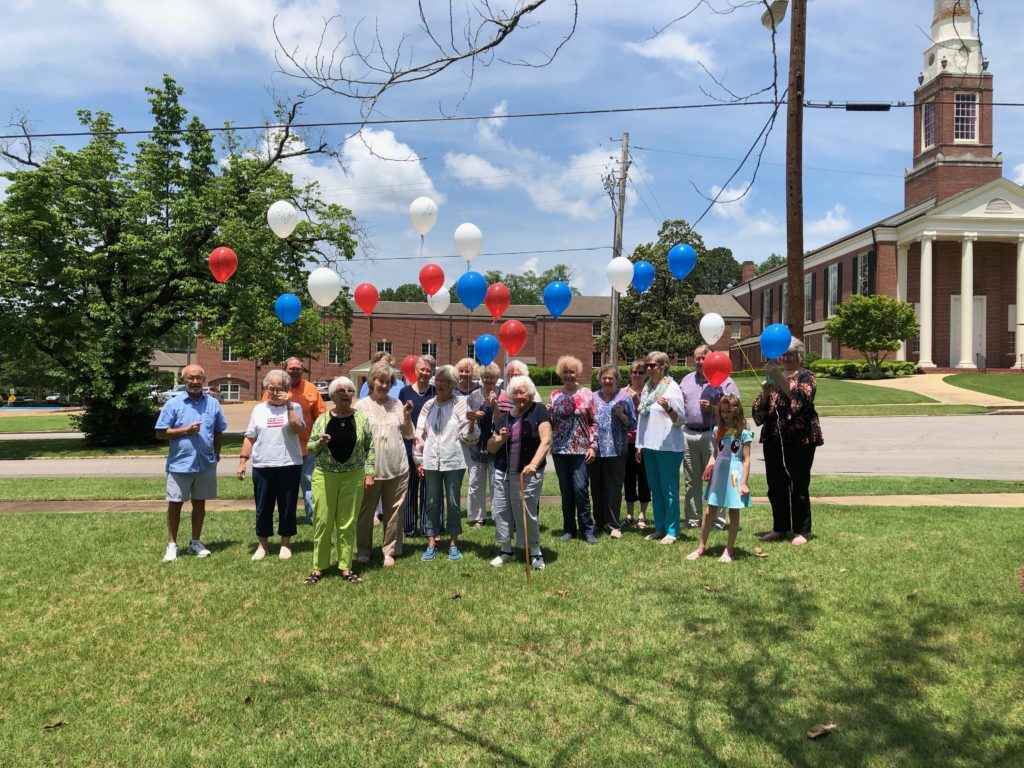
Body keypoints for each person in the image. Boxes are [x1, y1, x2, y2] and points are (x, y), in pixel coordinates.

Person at [752, 337, 824, 546]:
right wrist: (765, 392)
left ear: (799, 355)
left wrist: (778, 377)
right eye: (782, 354)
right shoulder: (774, 376)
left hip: (799, 439)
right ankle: (780, 528)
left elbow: (800, 400)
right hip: (774, 437)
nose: (785, 358)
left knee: (799, 484)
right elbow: (759, 413)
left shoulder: (806, 376)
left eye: (789, 354)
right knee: (775, 485)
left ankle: (801, 530)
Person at [304, 377, 375, 584]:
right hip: (325, 476)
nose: (346, 394)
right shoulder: (322, 420)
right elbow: (311, 449)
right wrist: (320, 442)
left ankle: (345, 566)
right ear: (333, 396)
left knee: (347, 522)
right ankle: (319, 567)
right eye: (341, 391)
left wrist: (369, 473)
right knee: (323, 522)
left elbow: (370, 447)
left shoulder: (361, 419)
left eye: (349, 391)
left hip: (353, 476)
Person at [155, 364, 227, 562]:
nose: (195, 382)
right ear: (183, 380)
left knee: (200, 504)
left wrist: (217, 454)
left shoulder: (213, 404)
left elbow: (219, 430)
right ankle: (172, 545)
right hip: (180, 463)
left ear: (204, 380)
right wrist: (185, 431)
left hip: (205, 463)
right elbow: (160, 432)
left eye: (198, 378)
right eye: (190, 378)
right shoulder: (173, 404)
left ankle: (195, 542)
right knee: (175, 504)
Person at [413, 365, 479, 561]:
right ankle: (431, 542)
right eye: (438, 380)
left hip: (454, 461)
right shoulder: (428, 405)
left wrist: (472, 423)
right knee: (431, 502)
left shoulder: (460, 404)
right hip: (430, 461)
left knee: (453, 502)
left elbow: (469, 436)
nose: (440, 384)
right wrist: (418, 460)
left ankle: (453, 543)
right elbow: (419, 433)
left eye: (445, 381)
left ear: (452, 384)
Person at [238, 369, 305, 561]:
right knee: (263, 506)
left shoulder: (295, 407)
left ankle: (285, 543)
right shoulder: (259, 409)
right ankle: (262, 545)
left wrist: (289, 405)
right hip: (263, 465)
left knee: (287, 505)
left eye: (279, 389)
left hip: (289, 464)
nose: (275, 392)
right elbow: (250, 436)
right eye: (271, 388)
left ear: (287, 389)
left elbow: (297, 428)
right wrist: (242, 461)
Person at [487, 375, 551, 570]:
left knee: (526, 512)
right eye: (515, 393)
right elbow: (490, 447)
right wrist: (501, 439)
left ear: (530, 393)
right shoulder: (506, 416)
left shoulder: (539, 410)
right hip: (502, 472)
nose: (519, 396)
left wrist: (533, 464)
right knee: (501, 510)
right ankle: (506, 550)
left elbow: (546, 440)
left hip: (526, 473)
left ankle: (534, 550)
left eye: (522, 392)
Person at [354, 361, 414, 568]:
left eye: (388, 382)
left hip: (397, 467)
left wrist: (407, 416)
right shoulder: (361, 406)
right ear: (372, 381)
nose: (385, 385)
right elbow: (356, 441)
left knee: (394, 512)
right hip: (370, 470)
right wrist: (364, 470)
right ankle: (363, 550)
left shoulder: (397, 404)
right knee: (365, 512)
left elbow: (408, 434)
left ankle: (390, 550)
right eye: (381, 381)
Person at [679, 345, 740, 531]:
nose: (700, 361)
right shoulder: (686, 380)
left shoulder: (725, 381)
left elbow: (736, 409)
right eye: (697, 358)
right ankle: (693, 519)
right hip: (689, 433)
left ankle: (717, 521)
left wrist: (714, 409)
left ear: (711, 358)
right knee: (691, 480)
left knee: (716, 478)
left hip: (714, 434)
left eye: (703, 357)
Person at [686, 394, 752, 563]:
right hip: (719, 474)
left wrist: (744, 482)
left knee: (733, 511)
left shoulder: (743, 433)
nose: (725, 415)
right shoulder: (718, 431)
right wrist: (709, 467)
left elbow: (746, 459)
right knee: (710, 511)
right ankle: (701, 547)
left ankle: (728, 550)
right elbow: (715, 454)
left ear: (736, 411)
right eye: (722, 411)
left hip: (734, 475)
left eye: (729, 411)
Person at [263, 357, 326, 525]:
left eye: (299, 369)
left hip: (306, 447)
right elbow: (264, 413)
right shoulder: (274, 389)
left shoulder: (311, 389)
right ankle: (284, 517)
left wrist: (320, 437)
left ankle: (313, 517)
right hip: (281, 448)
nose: (295, 372)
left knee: (309, 483)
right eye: (292, 369)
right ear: (284, 369)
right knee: (283, 486)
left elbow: (321, 416)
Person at [635, 351, 686, 545]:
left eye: (652, 365)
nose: (648, 369)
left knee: (669, 490)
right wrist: (639, 445)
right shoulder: (647, 388)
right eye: (647, 365)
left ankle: (672, 531)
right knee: (655, 489)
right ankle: (660, 528)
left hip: (668, 447)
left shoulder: (672, 388)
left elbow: (681, 420)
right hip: (649, 445)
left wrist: (668, 409)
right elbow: (643, 419)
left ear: (663, 367)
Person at [548, 355, 598, 544]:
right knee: (566, 491)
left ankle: (587, 529)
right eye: (565, 372)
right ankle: (569, 529)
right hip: (560, 450)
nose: (568, 375)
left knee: (580, 489)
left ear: (577, 373)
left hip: (581, 449)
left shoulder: (586, 394)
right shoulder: (555, 395)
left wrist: (593, 446)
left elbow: (594, 422)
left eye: (572, 372)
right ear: (560, 374)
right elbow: (553, 424)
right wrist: (550, 415)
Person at [591, 364, 636, 539]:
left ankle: (614, 525)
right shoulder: (593, 397)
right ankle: (599, 523)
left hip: (616, 450)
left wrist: (622, 416)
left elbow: (633, 424)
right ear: (600, 379)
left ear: (617, 379)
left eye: (611, 378)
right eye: (604, 377)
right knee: (596, 488)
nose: (607, 380)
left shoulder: (625, 397)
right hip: (595, 450)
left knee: (614, 490)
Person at [398, 355, 436, 536]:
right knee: (409, 488)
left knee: (430, 489)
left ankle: (428, 526)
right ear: (416, 370)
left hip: (430, 447)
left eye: (429, 370)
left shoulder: (435, 392)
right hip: (408, 445)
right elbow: (400, 418)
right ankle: (408, 526)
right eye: (422, 369)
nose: (425, 373)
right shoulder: (404, 392)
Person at [465, 362, 501, 527]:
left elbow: (503, 421)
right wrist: (474, 416)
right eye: (485, 377)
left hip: (497, 445)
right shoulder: (473, 395)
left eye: (492, 377)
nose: (488, 380)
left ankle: (498, 516)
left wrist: (495, 405)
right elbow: (467, 417)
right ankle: (477, 517)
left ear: (497, 378)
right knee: (475, 481)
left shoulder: (503, 395)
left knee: (496, 482)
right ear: (481, 377)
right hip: (477, 444)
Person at [623, 360, 651, 529]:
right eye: (634, 372)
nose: (637, 375)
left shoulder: (650, 392)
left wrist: (638, 399)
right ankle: (629, 514)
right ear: (630, 373)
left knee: (644, 478)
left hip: (646, 441)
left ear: (645, 374)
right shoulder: (623, 392)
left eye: (641, 372)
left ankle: (642, 514)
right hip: (627, 441)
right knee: (628, 478)